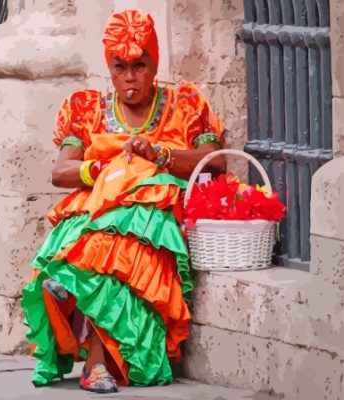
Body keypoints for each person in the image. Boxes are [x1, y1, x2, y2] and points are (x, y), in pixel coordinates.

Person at [21, 9, 226, 394]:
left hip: (152, 220)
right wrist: (101, 169)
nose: (130, 77)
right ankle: (91, 349)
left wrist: (158, 155)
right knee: (103, 242)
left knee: (119, 251)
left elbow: (215, 162)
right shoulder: (87, 110)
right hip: (99, 210)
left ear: (154, 63)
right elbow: (60, 171)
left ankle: (76, 293)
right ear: (110, 69)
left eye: (139, 65)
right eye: (120, 67)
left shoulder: (183, 105)